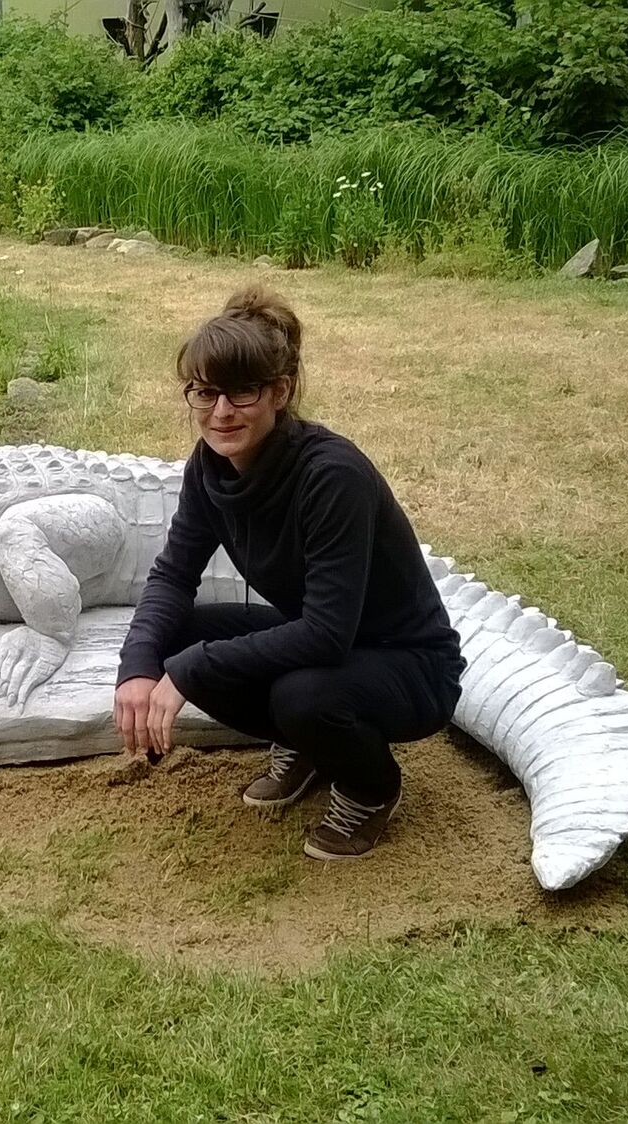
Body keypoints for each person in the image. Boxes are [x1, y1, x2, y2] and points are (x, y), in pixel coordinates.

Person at [112, 287, 465, 860]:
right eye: (205, 392)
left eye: (242, 391)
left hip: (411, 663)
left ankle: (371, 787)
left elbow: (326, 634)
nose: (221, 412)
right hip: (328, 643)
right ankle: (306, 746)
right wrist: (137, 668)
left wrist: (190, 672)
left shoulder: (333, 475)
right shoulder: (209, 465)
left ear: (280, 392)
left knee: (299, 694)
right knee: (171, 637)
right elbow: (173, 576)